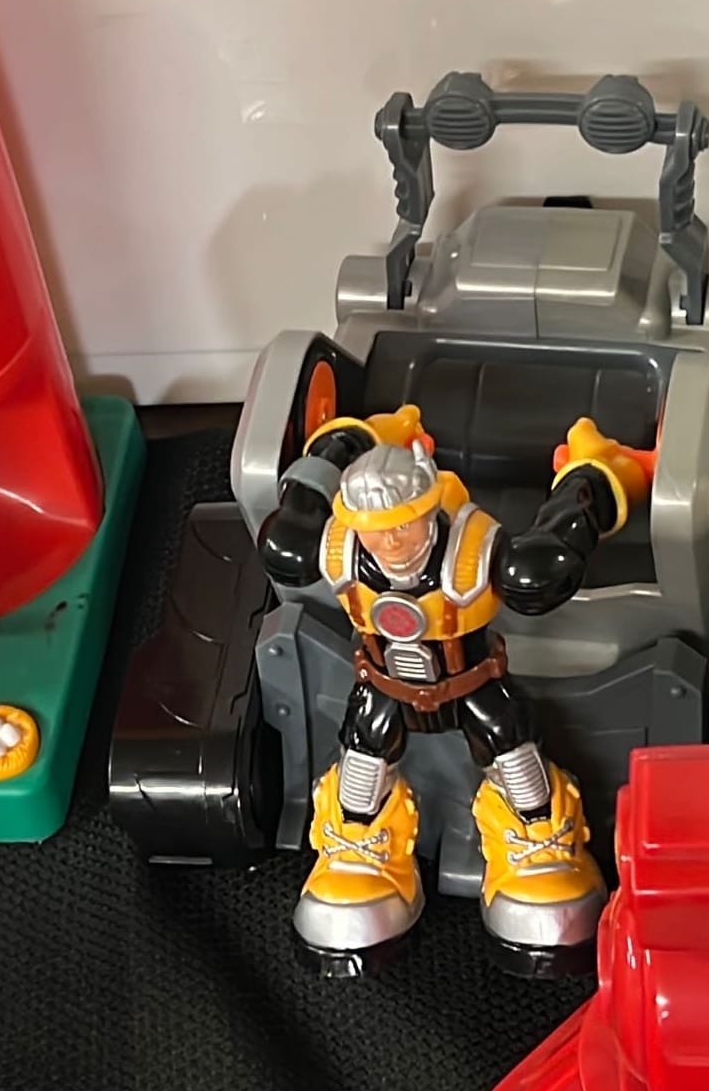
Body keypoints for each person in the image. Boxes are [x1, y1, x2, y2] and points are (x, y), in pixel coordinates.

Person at [256, 404, 645, 977]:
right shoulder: (340, 548)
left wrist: (591, 483)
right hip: (384, 684)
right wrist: (342, 444)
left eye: (404, 524)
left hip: (472, 681)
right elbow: (291, 531)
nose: (390, 543)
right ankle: (358, 843)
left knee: (514, 753)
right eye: (376, 529)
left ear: (429, 508)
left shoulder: (469, 550)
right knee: (363, 759)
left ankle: (537, 836)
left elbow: (540, 563)